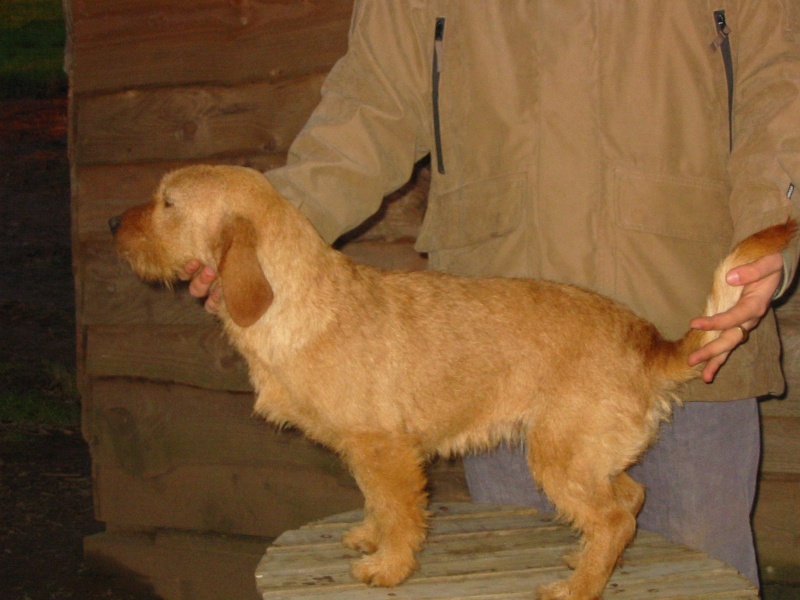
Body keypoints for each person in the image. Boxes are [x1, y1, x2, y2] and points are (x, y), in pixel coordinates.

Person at [185, 2, 800, 586]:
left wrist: (772, 225)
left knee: (699, 579)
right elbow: (371, 103)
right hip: (487, 348)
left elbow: (780, 82)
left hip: (695, 315)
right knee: (518, 573)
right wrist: (266, 238)